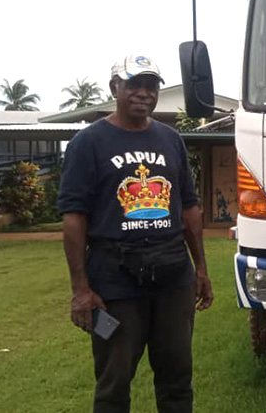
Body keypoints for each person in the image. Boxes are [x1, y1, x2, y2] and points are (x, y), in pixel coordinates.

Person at [58, 54, 213, 413]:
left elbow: (189, 208)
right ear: (115, 88)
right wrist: (81, 289)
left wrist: (200, 269)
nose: (144, 93)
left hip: (173, 276)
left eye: (151, 86)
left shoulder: (171, 139)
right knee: (114, 381)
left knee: (177, 377)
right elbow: (74, 218)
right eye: (134, 85)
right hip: (114, 281)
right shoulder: (88, 142)